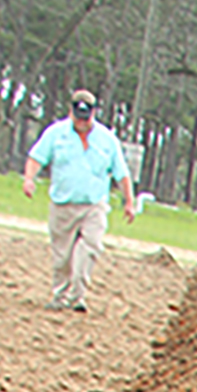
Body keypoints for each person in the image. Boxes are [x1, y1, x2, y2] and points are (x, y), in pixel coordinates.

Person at [22, 89, 135, 313]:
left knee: (90, 247)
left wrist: (129, 202)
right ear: (71, 111)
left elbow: (121, 174)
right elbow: (36, 158)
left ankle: (78, 297)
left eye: (87, 117)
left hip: (94, 204)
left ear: (93, 113)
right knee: (62, 256)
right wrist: (29, 179)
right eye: (78, 116)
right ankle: (60, 296)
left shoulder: (107, 140)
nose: (82, 122)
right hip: (63, 204)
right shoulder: (55, 133)